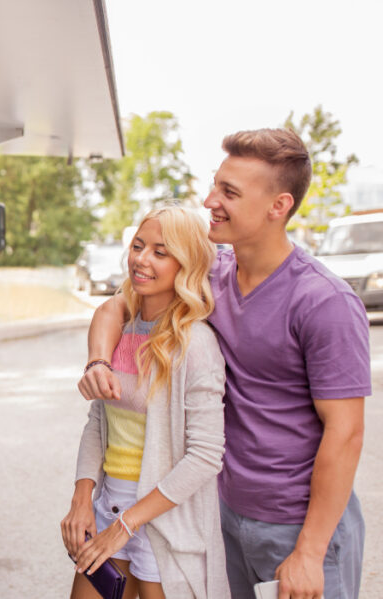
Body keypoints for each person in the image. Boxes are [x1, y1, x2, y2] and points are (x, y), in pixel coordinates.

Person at [80, 129, 371, 599]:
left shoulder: (323, 302)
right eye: (215, 184)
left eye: (229, 192)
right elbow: (119, 305)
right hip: (222, 517)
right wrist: (98, 361)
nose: (210, 200)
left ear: (278, 206)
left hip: (296, 525)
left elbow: (346, 432)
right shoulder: (212, 274)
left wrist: (311, 552)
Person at [62, 206, 228, 598]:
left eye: (160, 251)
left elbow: (205, 455)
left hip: (163, 520)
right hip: (111, 508)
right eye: (138, 246)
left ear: (185, 264)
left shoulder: (196, 343)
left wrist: (129, 525)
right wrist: (82, 498)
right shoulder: (123, 329)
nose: (141, 259)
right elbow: (98, 423)